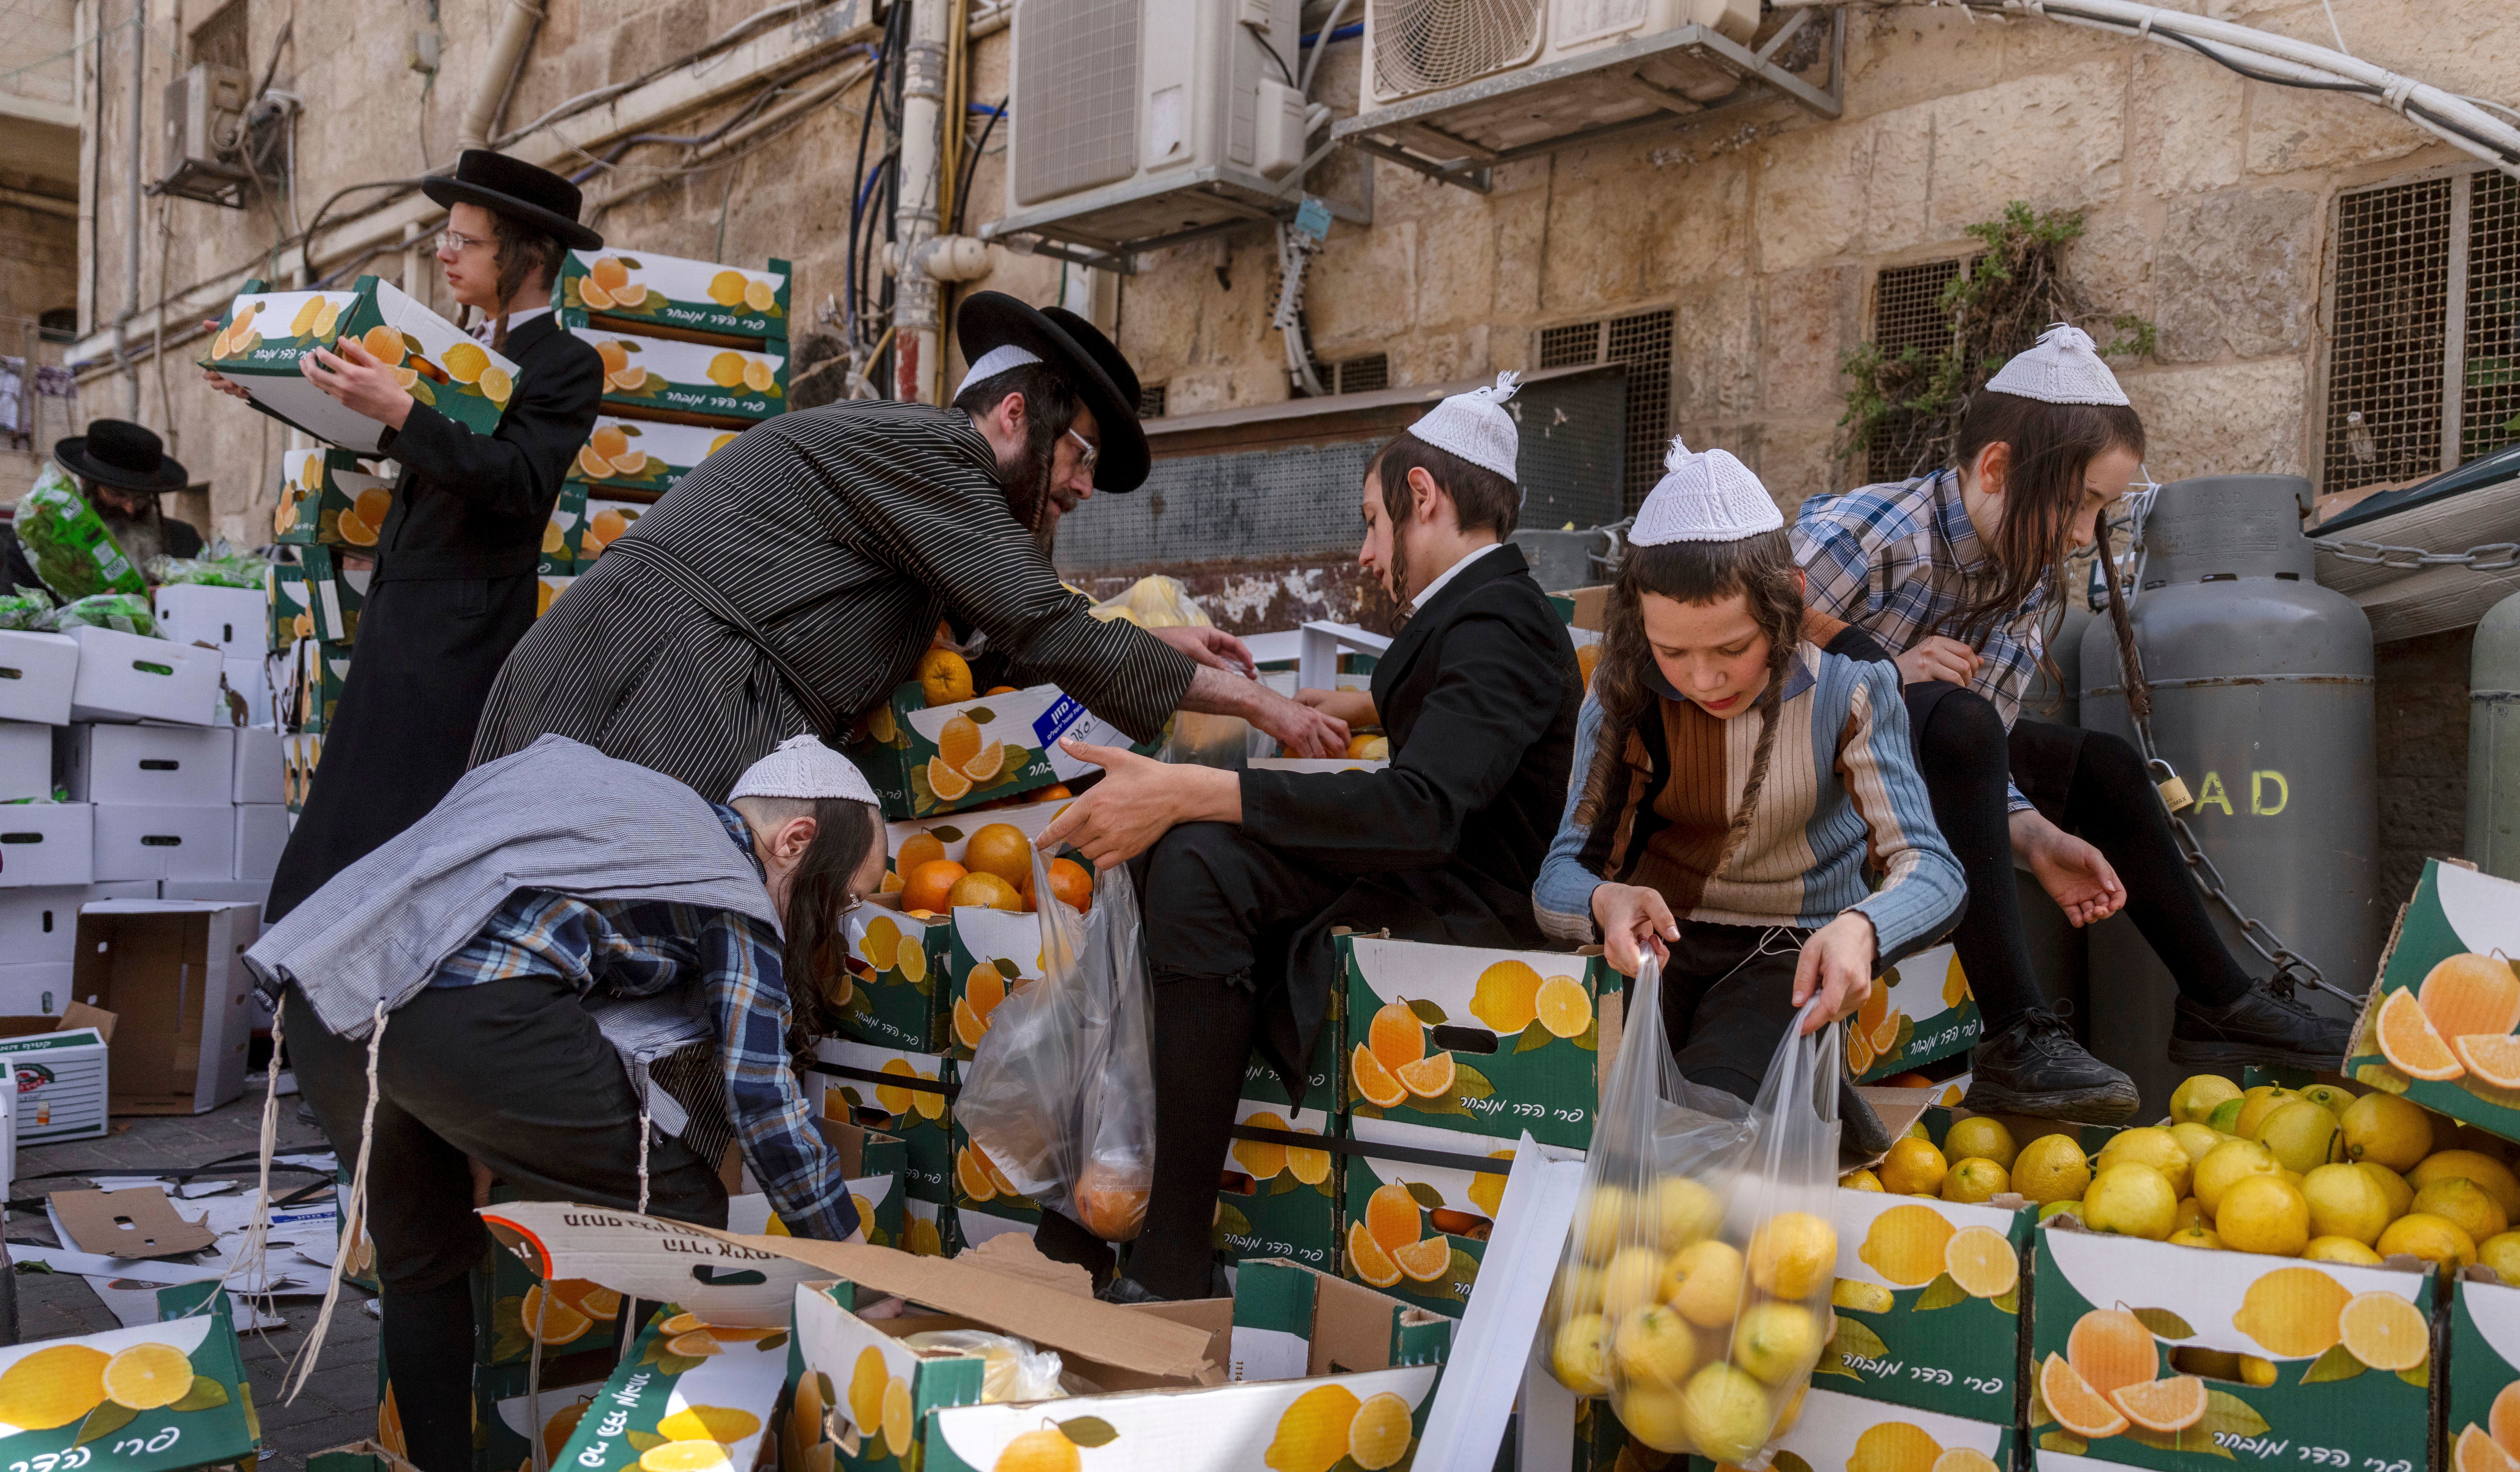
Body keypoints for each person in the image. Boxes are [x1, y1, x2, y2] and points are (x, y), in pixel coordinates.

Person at [1030, 376, 1583, 1301]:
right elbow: (1465, 725)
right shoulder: (1487, 611)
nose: (1369, 554)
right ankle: (1114, 1199)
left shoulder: (1498, 619)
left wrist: (1197, 786)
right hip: (1436, 871)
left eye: (1373, 522)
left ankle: (1166, 1248)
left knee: (1200, 856)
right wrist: (1360, 702)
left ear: (1423, 498)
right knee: (1185, 853)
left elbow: (1420, 810)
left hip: (1470, 902)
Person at [243, 733, 883, 1472]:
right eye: (844, 897)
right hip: (465, 1015)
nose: (836, 922)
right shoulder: (731, 881)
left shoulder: (636, 813)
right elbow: (762, 1098)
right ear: (796, 841)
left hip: (336, 998)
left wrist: (477, 1121)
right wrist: (857, 1259)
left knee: (425, 1264)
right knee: (684, 1211)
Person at [471, 291, 1345, 802]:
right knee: (591, 936)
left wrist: (1156, 642)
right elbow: (1039, 622)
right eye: (1078, 456)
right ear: (1015, 415)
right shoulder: (934, 450)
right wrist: (1261, 706)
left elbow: (1003, 635)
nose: (1080, 488)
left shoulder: (937, 497)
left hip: (685, 678)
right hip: (652, 675)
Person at [1793, 324, 2352, 1122]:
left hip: (1918, 767)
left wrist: (2035, 837)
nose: (2085, 534)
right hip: (1806, 775)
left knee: (2106, 769)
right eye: (2078, 502)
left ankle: (2217, 998)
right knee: (1949, 715)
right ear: (1996, 467)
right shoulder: (1876, 532)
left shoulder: (2022, 570)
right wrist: (1873, 673)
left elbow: (1981, 749)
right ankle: (2013, 1032)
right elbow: (1733, 653)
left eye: (2103, 509)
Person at [230, 150, 607, 923]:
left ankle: (364, 998)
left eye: (465, 242)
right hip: (399, 607)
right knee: (354, 817)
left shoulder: (566, 363)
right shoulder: (448, 342)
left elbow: (517, 481)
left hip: (462, 631)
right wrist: (267, 380)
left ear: (530, 257)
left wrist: (403, 411)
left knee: (403, 824)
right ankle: (312, 989)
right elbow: (376, 428)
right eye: (447, 235)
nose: (444, 252)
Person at [1535, 441, 1966, 1107]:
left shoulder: (1851, 688)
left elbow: (1932, 870)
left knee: (1717, 1112)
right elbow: (1557, 880)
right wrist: (1603, 902)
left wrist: (1863, 928)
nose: (1703, 679)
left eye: (1732, 648)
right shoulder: (1622, 692)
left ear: (1787, 600)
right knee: (1590, 1106)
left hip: (1788, 955)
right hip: (1658, 949)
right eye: (1671, 650)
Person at [40, 418, 203, 577]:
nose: (130, 509)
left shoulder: (185, 541)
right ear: (86, 484)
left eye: (142, 497)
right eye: (117, 494)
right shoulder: (44, 541)